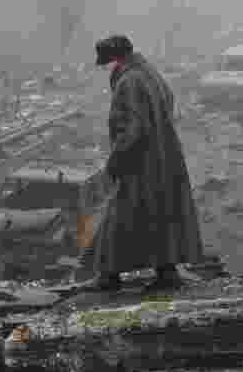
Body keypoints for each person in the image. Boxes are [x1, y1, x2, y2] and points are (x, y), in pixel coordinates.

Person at [85, 34, 206, 292]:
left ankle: (108, 276)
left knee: (121, 216)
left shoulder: (129, 80)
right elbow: (169, 103)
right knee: (162, 214)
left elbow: (133, 128)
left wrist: (116, 160)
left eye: (108, 62)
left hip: (140, 161)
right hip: (166, 155)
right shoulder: (150, 72)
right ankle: (166, 271)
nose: (108, 67)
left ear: (116, 57)